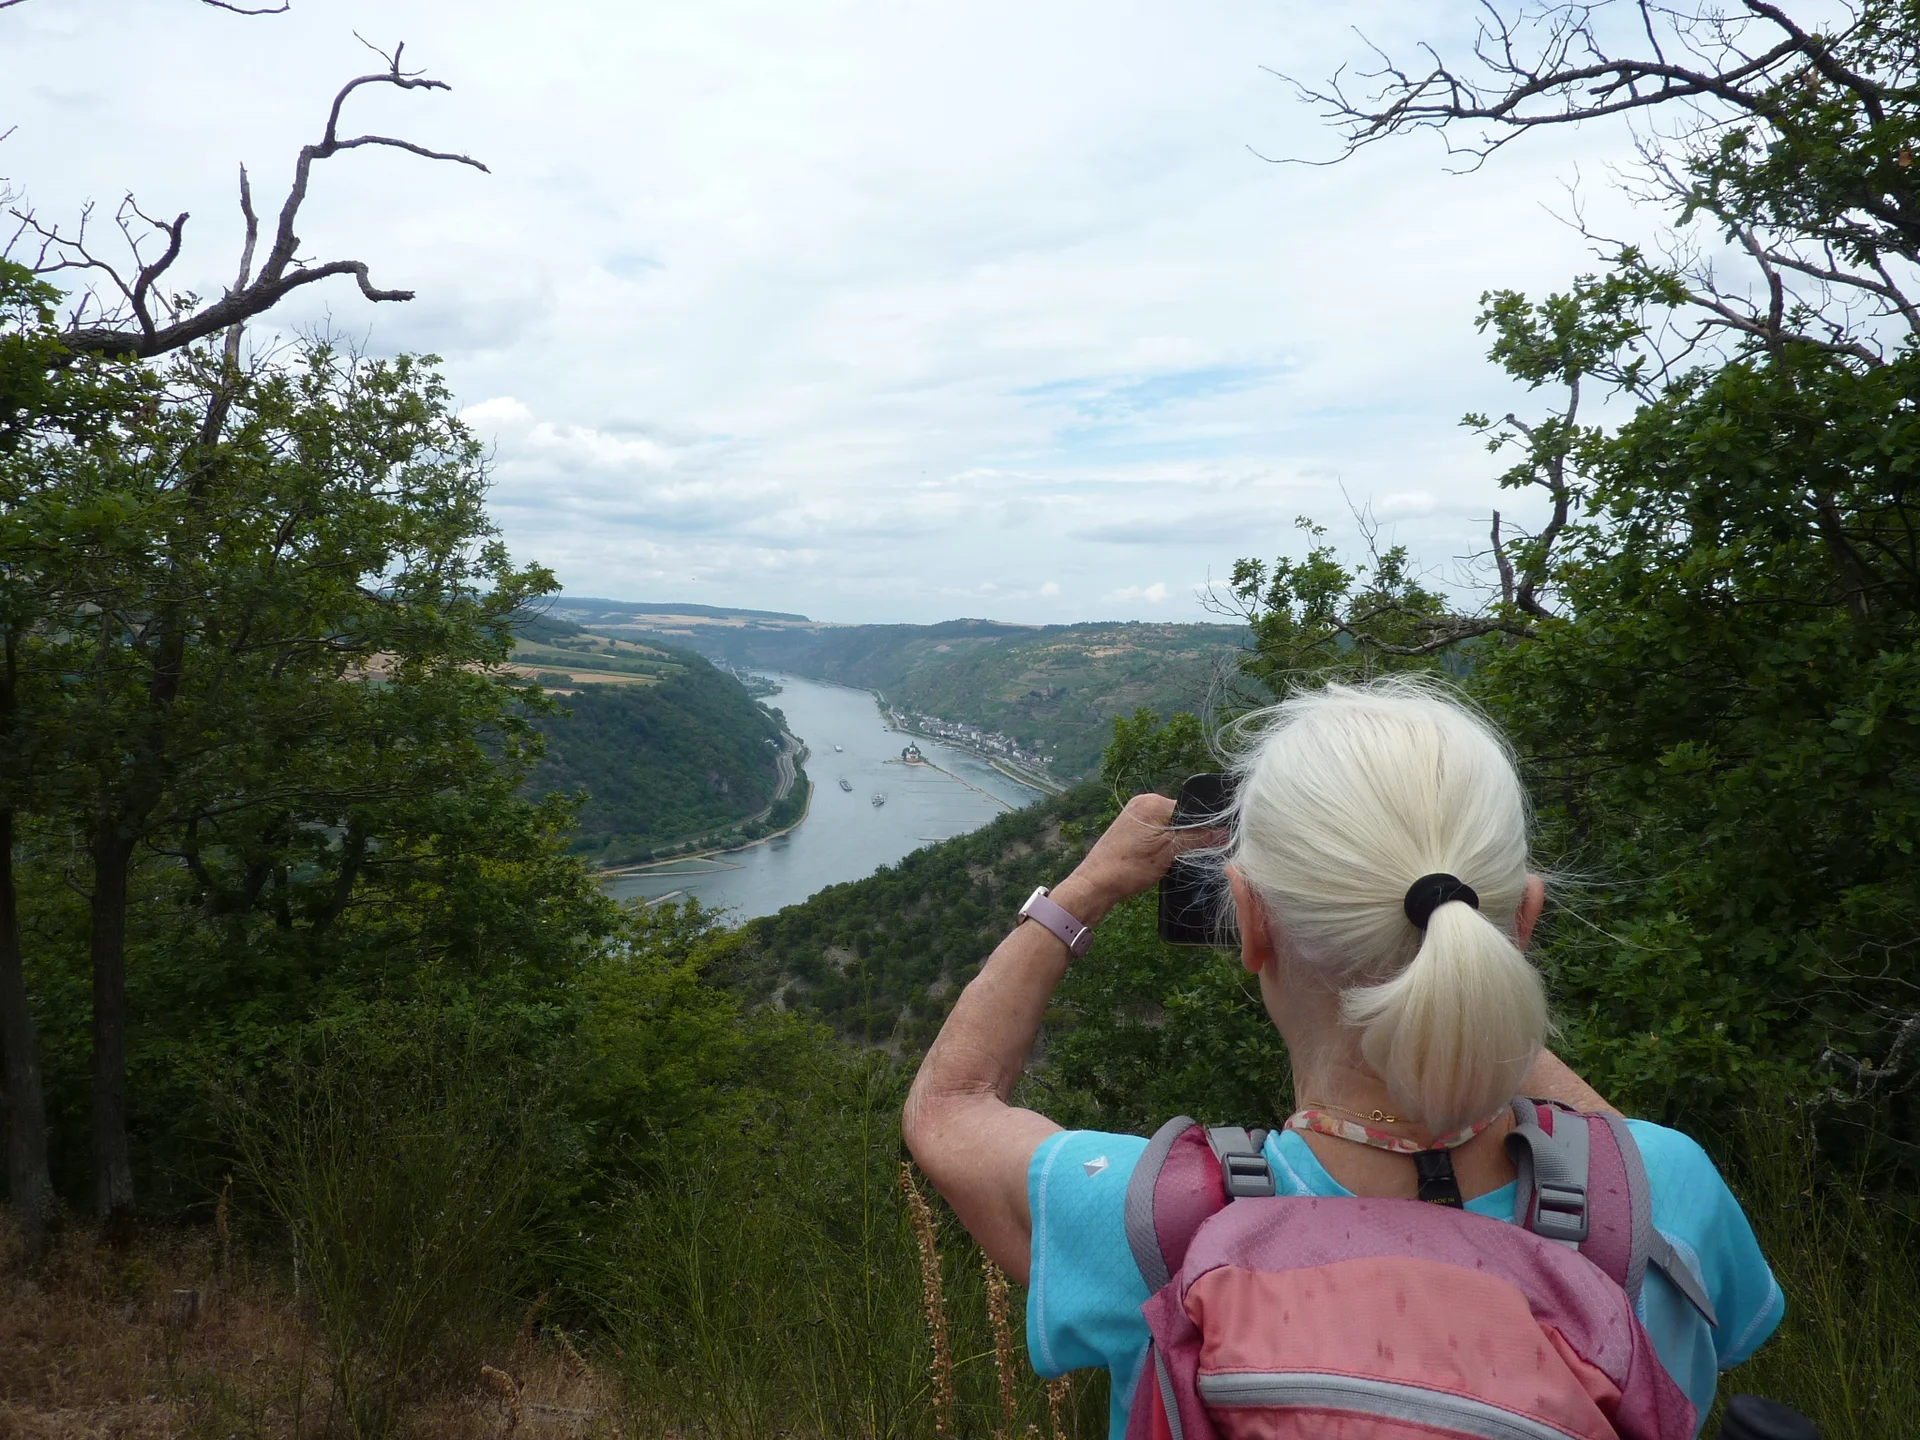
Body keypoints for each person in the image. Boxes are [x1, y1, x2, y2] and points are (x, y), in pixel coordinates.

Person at [903, 679, 1783, 1440]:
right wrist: (1458, 993)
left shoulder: (1149, 1221)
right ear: (1520, 923)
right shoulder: (1664, 1194)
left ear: (1249, 923)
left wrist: (1085, 890)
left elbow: (949, 1105)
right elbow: (1698, 1295)